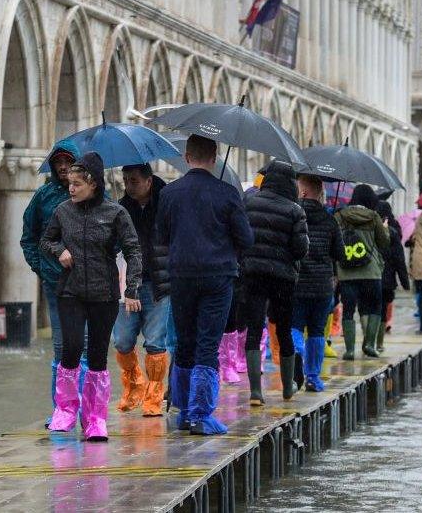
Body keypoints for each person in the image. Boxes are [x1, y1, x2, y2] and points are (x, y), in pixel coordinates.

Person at [40, 152, 143, 442]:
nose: (70, 188)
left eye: (76, 184)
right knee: (71, 348)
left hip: (104, 294)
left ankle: (95, 419)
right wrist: (59, 250)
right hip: (70, 291)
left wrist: (132, 288)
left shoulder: (115, 213)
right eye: (69, 183)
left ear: (93, 184)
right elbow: (46, 240)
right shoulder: (63, 211)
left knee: (97, 356)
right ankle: (65, 411)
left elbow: (134, 251)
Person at [156, 135, 253, 435]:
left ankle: (184, 412)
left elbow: (161, 235)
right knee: (207, 344)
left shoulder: (169, 193)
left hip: (181, 276)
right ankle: (201, 414)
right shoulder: (227, 193)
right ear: (214, 157)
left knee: (184, 342)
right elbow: (246, 239)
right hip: (217, 277)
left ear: (186, 157)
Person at [21, 140, 87, 423]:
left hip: (88, 282)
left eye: (68, 162)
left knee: (84, 343)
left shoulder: (92, 196)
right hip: (55, 282)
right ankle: (62, 408)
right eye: (58, 162)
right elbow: (29, 237)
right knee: (62, 345)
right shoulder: (43, 197)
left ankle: (86, 408)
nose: (62, 167)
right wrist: (41, 267)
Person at [240, 160, 309, 405]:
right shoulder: (294, 210)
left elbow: (240, 236)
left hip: (253, 274)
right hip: (283, 278)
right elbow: (300, 249)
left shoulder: (248, 202)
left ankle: (256, 392)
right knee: (283, 328)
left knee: (254, 328)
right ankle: (288, 387)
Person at [112, 164, 172, 416]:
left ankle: (154, 397)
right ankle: (134, 385)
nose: (128, 185)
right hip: (128, 285)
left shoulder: (167, 203)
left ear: (149, 181)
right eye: (125, 180)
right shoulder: (120, 208)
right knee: (123, 340)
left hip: (160, 283)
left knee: (156, 342)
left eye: (134, 180)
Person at [291, 174, 343, 392]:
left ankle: (297, 351)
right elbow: (339, 253)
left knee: (294, 326)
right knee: (317, 331)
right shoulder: (330, 219)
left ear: (303, 192)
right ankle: (313, 377)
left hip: (298, 282)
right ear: (319, 193)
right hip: (322, 286)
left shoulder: (294, 215)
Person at [335, 185, 390, 359]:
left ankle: (350, 350)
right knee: (374, 307)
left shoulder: (340, 216)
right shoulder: (374, 217)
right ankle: (369, 344)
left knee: (349, 310)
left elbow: (334, 241)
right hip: (370, 272)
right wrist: (385, 228)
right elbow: (383, 243)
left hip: (347, 271)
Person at [378, 201, 410, 349]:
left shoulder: (370, 228)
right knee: (384, 306)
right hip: (388, 278)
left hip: (371, 276)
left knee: (370, 308)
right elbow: (399, 258)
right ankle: (379, 342)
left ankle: (370, 340)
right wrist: (405, 281)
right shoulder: (394, 229)